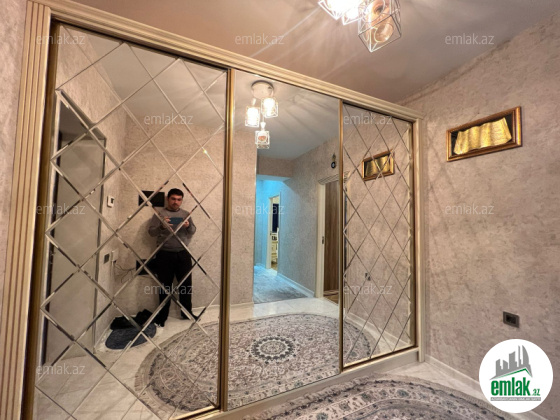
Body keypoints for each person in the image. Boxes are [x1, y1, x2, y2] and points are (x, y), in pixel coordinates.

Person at [148, 188, 196, 327]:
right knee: (165, 286)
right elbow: (151, 232)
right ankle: (162, 316)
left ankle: (186, 313)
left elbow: (193, 230)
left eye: (179, 199)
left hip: (183, 253)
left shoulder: (186, 214)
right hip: (164, 254)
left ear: (181, 200)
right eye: (173, 199)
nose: (176, 202)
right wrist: (162, 227)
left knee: (186, 285)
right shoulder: (159, 214)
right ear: (168, 199)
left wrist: (188, 226)